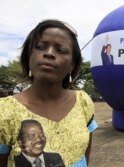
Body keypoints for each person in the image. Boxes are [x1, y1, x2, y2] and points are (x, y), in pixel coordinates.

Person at [0, 19, 98, 167]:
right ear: (29, 56)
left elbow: (84, 154)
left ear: (72, 65)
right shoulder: (6, 111)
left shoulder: (83, 102)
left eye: (61, 50)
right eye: (40, 47)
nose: (49, 53)